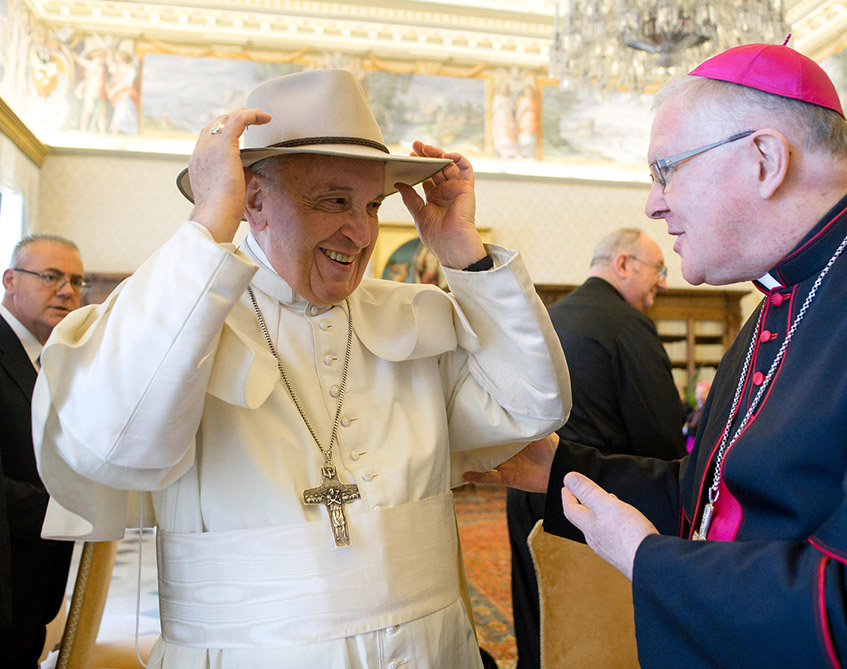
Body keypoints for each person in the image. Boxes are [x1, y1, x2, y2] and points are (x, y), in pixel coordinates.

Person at [467, 42, 847, 666]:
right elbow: (711, 502)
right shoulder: (766, 317)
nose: (653, 203)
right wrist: (553, 468)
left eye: (666, 170)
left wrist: (650, 561)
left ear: (765, 159)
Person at [33, 69, 571, 668]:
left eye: (371, 204)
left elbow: (531, 407)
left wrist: (463, 254)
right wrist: (211, 217)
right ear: (254, 202)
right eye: (334, 201)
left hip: (432, 648)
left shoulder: (412, 316)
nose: (362, 231)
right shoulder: (172, 318)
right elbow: (115, 443)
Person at [506, 227, 686, 668]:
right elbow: (662, 436)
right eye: (658, 270)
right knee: (596, 632)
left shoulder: (548, 317)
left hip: (528, 492)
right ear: (623, 264)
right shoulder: (628, 327)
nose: (662, 282)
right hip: (592, 498)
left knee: (541, 624)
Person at [1, 234, 84, 667]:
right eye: (51, 277)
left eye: (75, 280)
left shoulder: (53, 357)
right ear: (10, 280)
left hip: (33, 587)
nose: (67, 291)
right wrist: (64, 512)